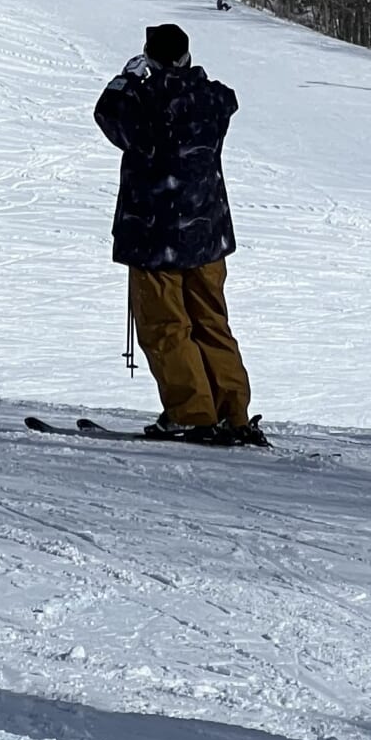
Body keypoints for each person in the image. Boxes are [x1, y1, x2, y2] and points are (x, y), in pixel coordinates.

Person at [93, 23, 264, 446]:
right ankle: (232, 412)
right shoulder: (209, 98)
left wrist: (127, 78)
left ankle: (191, 413)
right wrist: (188, 77)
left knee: (166, 325)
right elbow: (226, 97)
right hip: (206, 232)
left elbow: (108, 115)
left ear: (150, 56)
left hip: (156, 235)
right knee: (211, 321)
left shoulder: (146, 100)